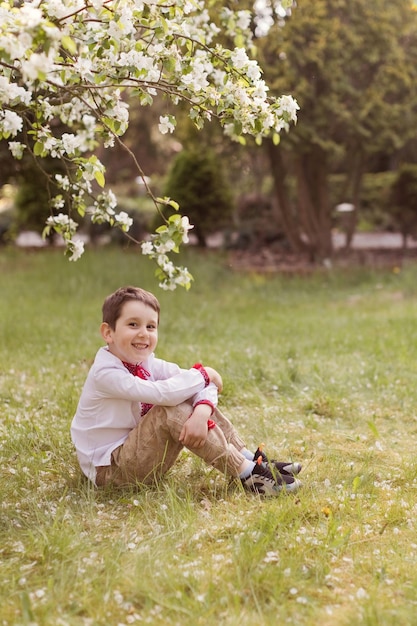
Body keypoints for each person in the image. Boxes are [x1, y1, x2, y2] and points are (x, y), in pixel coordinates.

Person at [71, 286, 302, 496]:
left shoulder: (147, 362)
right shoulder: (105, 373)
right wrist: (204, 374)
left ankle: (249, 459)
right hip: (111, 471)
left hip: (139, 453)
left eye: (151, 326)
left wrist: (202, 410)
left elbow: (195, 385)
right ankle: (248, 475)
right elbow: (167, 394)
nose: (144, 333)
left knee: (186, 394)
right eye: (133, 324)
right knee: (169, 408)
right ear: (108, 332)